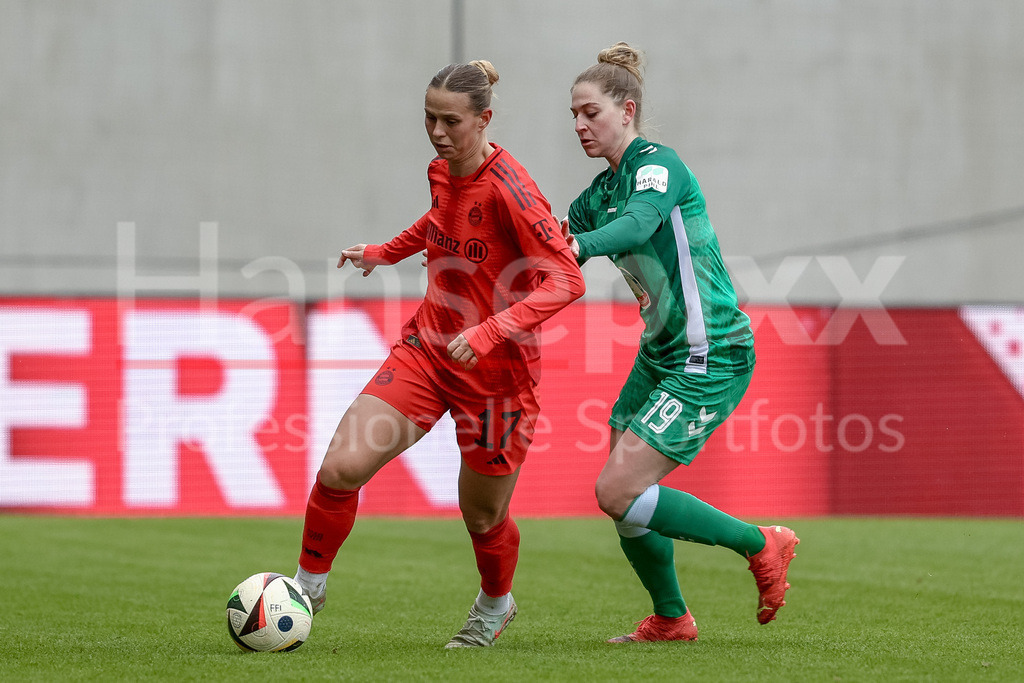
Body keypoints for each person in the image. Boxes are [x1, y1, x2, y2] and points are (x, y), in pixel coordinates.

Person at [293, 59, 585, 648]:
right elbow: (441, 221)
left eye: (450, 121)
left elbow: (566, 279)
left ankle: (495, 604)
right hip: (427, 351)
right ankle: (306, 587)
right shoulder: (441, 169)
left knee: (481, 517)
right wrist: (387, 251)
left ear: (484, 119)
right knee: (339, 469)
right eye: (429, 118)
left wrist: (487, 332)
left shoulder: (514, 190)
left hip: (497, 379)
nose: (437, 132)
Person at [563, 42, 799, 643]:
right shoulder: (592, 198)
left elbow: (639, 224)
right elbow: (551, 245)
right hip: (662, 351)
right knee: (623, 493)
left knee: (615, 489)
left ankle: (761, 543)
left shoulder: (657, 165)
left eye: (590, 112)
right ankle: (671, 617)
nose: (580, 125)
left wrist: (579, 247)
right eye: (574, 115)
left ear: (627, 109)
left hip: (711, 347)